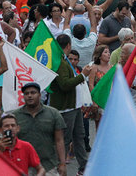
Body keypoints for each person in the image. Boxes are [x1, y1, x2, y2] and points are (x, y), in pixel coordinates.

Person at [50, 34, 92, 176]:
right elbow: (64, 85)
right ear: (68, 45)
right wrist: (82, 75)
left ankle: (84, 166)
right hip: (65, 108)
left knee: (79, 136)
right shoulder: (61, 63)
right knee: (65, 139)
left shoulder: (64, 60)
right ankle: (57, 167)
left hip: (74, 106)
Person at [13, 82, 67, 176]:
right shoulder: (15, 116)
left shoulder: (53, 114)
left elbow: (59, 140)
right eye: (26, 93)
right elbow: (12, 142)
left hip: (48, 165)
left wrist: (62, 163)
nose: (29, 96)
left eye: (33, 93)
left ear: (39, 95)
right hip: (24, 166)